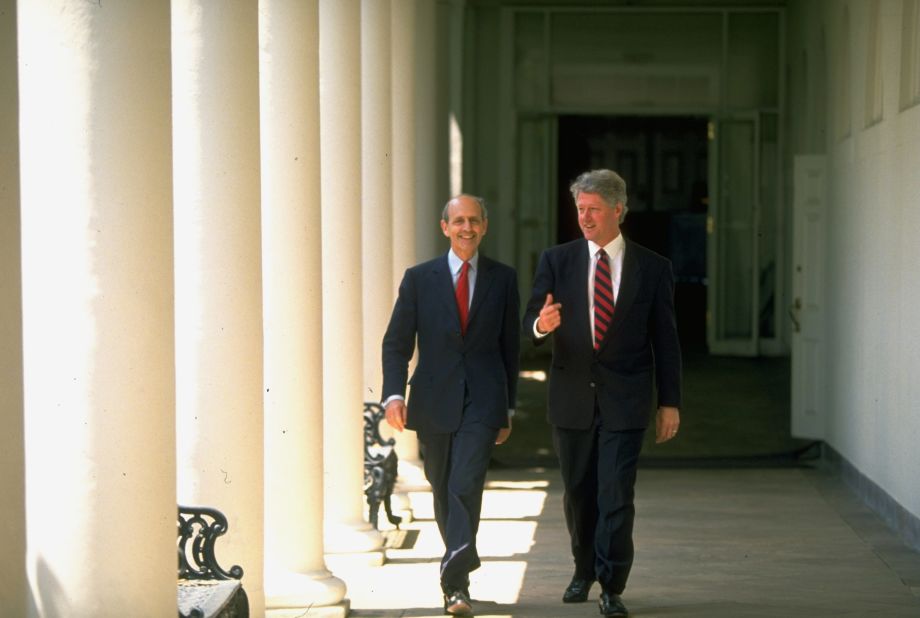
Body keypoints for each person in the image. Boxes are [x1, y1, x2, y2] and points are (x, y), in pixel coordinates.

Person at [523, 169, 681, 617]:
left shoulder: (653, 268)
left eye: (593, 209)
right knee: (578, 494)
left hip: (625, 401)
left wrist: (670, 402)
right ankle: (583, 569)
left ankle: (612, 584)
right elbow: (532, 319)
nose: (585, 218)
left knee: (615, 494)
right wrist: (541, 325)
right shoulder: (558, 260)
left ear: (618, 210)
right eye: (579, 210)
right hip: (571, 400)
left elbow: (666, 341)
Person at [381, 194, 520, 616]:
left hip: (484, 400)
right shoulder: (419, 278)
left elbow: (509, 348)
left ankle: (454, 582)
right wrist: (393, 393)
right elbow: (396, 343)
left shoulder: (502, 278)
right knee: (443, 488)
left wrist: (508, 409)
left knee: (464, 483)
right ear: (445, 227)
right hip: (434, 400)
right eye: (458, 221)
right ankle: (457, 570)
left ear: (485, 226)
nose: (467, 228)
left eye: (474, 221)